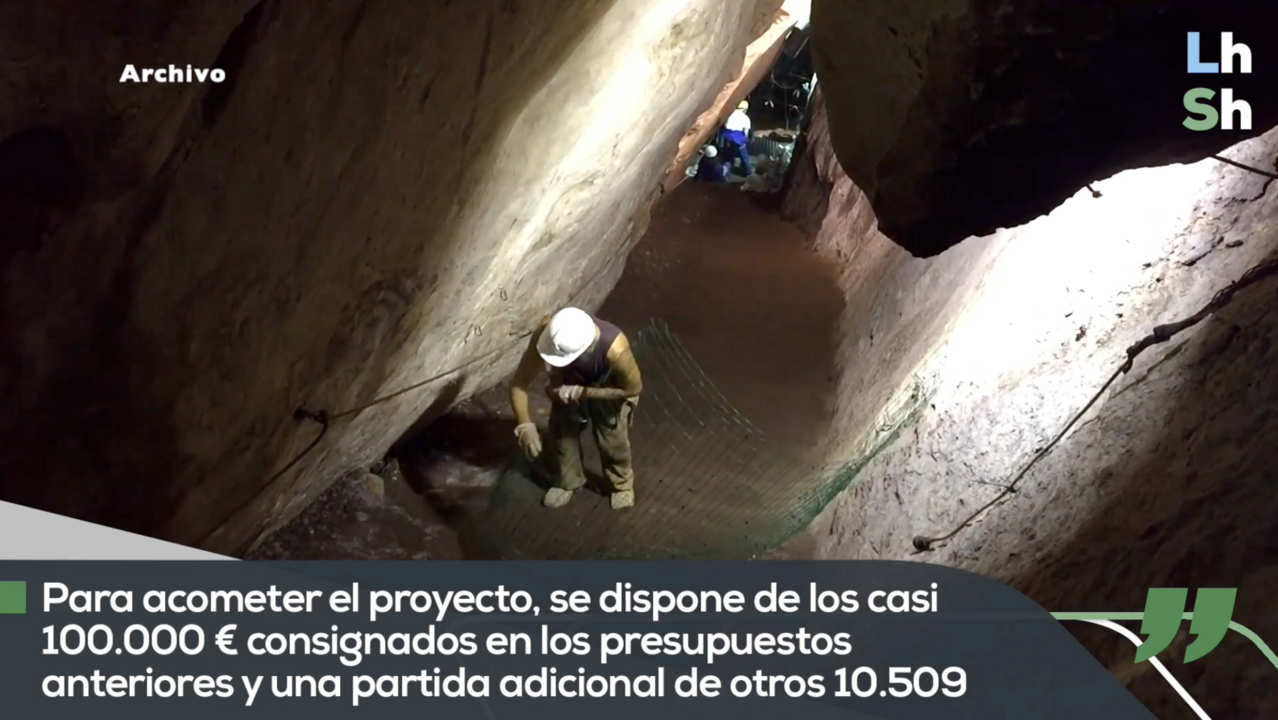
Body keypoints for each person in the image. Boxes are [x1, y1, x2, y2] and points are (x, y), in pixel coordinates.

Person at [509, 307, 643, 510]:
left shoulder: (616, 349)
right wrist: (524, 425)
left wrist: (584, 392)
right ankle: (568, 480)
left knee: (612, 437)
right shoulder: (550, 333)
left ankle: (621, 485)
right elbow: (519, 382)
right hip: (569, 381)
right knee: (562, 433)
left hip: (609, 387)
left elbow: (632, 389)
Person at [720, 99, 753, 176]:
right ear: (745, 109)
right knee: (744, 156)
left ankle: (725, 173)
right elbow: (745, 133)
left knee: (728, 156)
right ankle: (748, 172)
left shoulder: (729, 114)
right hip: (738, 139)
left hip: (727, 138)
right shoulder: (746, 118)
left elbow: (724, 125)